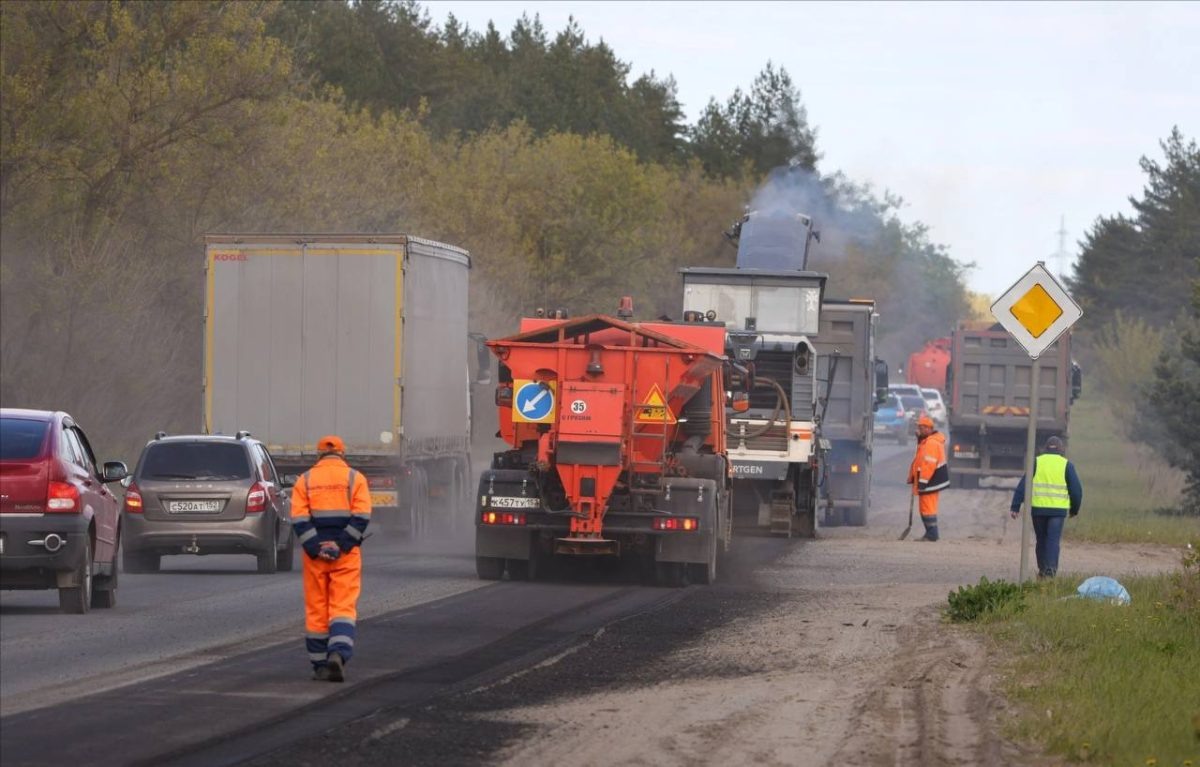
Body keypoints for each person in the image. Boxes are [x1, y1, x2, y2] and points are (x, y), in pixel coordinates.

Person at [290, 435, 371, 682]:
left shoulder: (304, 480)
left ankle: (320, 666)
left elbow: (299, 519)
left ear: (318, 456)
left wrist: (317, 547)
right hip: (345, 556)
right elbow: (362, 515)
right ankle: (338, 653)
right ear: (342, 454)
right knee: (342, 607)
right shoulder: (355, 478)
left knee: (317, 609)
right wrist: (341, 545)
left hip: (315, 557)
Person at [1010, 435, 1082, 578]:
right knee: (1053, 540)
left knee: (1041, 540)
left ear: (1045, 449)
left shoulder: (1036, 462)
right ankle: (1050, 570)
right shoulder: (1066, 465)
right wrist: (1074, 509)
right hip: (1057, 512)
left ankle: (1042, 569)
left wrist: (1015, 506)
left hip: (1039, 510)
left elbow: (1023, 484)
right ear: (1061, 450)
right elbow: (1076, 490)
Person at [907, 413, 949, 541]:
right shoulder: (928, 441)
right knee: (927, 507)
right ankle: (931, 533)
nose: (919, 430)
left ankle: (932, 534)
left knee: (927, 508)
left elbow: (928, 464)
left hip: (930, 481)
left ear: (928, 428)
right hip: (930, 480)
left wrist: (923, 482)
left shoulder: (931, 443)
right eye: (919, 428)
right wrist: (920, 440)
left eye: (921, 428)